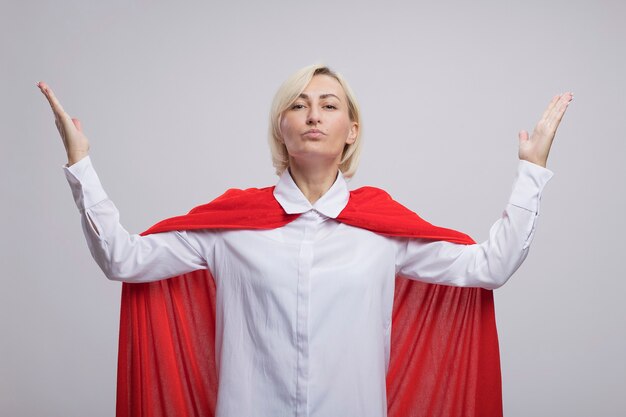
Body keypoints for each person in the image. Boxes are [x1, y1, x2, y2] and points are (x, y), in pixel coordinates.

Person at [38, 64, 572, 417]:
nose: (313, 113)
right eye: (298, 104)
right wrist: (80, 163)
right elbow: (123, 259)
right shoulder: (230, 229)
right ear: (282, 129)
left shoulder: (382, 233)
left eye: (328, 104)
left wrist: (532, 171)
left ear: (352, 129)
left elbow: (490, 267)